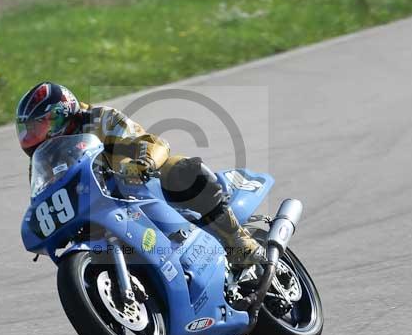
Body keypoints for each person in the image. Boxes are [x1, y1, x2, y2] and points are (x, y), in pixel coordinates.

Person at [16, 81, 267, 269]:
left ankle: (237, 240)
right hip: (93, 211)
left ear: (61, 114)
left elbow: (149, 141)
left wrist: (143, 164)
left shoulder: (99, 119)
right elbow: (43, 198)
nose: (31, 136)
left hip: (136, 188)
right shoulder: (43, 159)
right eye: (27, 130)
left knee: (182, 170)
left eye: (38, 126)